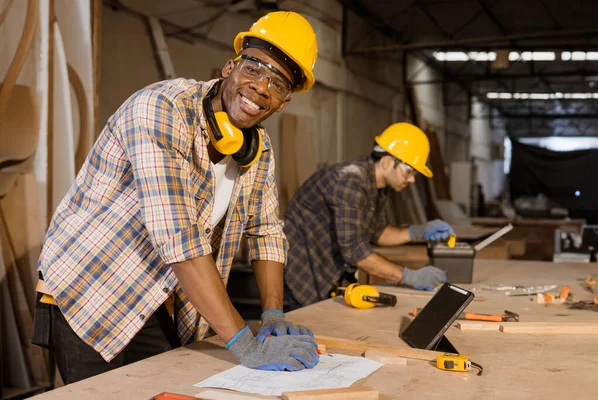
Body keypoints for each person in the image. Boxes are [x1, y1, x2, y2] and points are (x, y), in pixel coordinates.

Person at [32, 11, 320, 384]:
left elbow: (266, 233)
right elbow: (178, 237)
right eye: (254, 68)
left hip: (156, 298)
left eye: (278, 84)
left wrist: (273, 315)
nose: (262, 87)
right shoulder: (161, 110)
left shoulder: (258, 149)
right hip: (90, 291)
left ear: (283, 103)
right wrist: (248, 347)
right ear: (230, 67)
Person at [283, 122, 454, 310]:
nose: (412, 179)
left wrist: (418, 232)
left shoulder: (378, 186)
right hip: (304, 273)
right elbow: (355, 252)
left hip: (329, 269)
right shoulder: (350, 181)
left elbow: (377, 232)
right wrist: (410, 276)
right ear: (388, 162)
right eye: (409, 171)